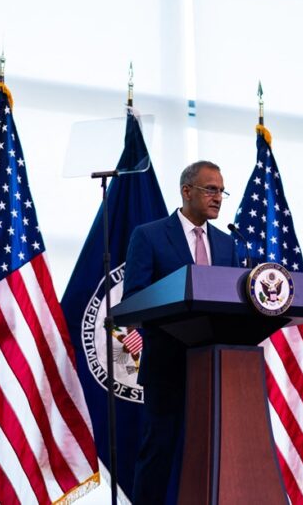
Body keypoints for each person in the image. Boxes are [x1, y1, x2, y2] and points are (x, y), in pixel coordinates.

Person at [123, 160, 238, 504]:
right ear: (187, 191)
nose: (218, 197)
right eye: (210, 189)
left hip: (217, 369)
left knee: (212, 457)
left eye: (221, 190)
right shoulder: (150, 236)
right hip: (168, 366)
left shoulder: (228, 244)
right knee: (159, 455)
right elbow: (133, 299)